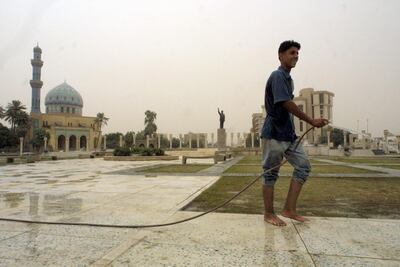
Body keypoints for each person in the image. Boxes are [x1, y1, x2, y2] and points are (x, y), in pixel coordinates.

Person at [261, 40, 329, 226]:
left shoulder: (288, 79)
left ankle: (289, 210)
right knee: (270, 174)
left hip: (288, 135)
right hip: (274, 134)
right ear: (281, 55)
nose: (296, 56)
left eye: (297, 53)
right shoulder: (277, 76)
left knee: (303, 166)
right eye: (292, 53)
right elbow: (286, 103)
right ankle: (269, 214)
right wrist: (312, 121)